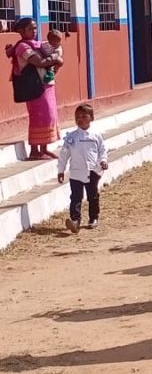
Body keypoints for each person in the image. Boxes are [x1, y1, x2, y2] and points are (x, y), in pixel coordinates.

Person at [7, 18, 62, 160]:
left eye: (35, 28)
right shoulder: (22, 47)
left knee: (49, 115)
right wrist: (56, 57)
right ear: (21, 31)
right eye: (30, 29)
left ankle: (44, 148)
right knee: (38, 117)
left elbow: (51, 53)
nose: (34, 31)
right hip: (34, 87)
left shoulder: (39, 44)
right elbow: (39, 62)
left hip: (46, 84)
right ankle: (34, 150)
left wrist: (56, 57)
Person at [57, 103, 108, 232]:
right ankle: (75, 220)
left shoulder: (96, 135)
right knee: (75, 197)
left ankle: (93, 218)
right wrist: (61, 170)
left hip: (92, 171)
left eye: (84, 116)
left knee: (93, 196)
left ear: (91, 118)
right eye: (77, 117)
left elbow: (102, 150)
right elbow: (64, 154)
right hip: (76, 173)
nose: (80, 119)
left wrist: (103, 161)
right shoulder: (71, 137)